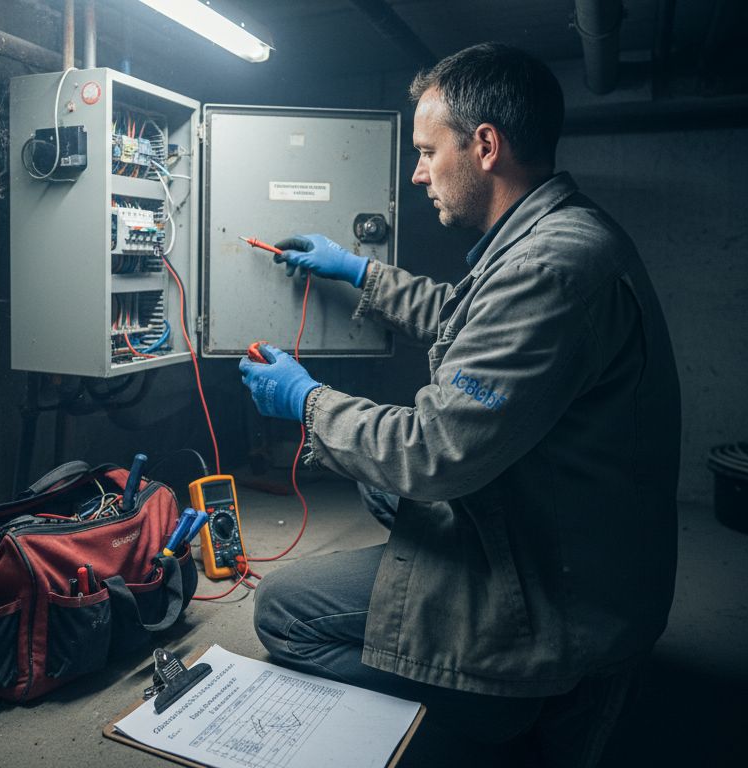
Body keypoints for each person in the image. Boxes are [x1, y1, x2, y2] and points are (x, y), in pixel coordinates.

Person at [238, 42, 681, 766]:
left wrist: (307, 401)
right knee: (381, 492)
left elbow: (431, 452)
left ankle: (501, 706)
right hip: (566, 530)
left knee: (285, 610)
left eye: (426, 151)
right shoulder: (554, 231)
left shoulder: (549, 268)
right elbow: (466, 316)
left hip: (558, 594)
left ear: (485, 146)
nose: (417, 174)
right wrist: (358, 271)